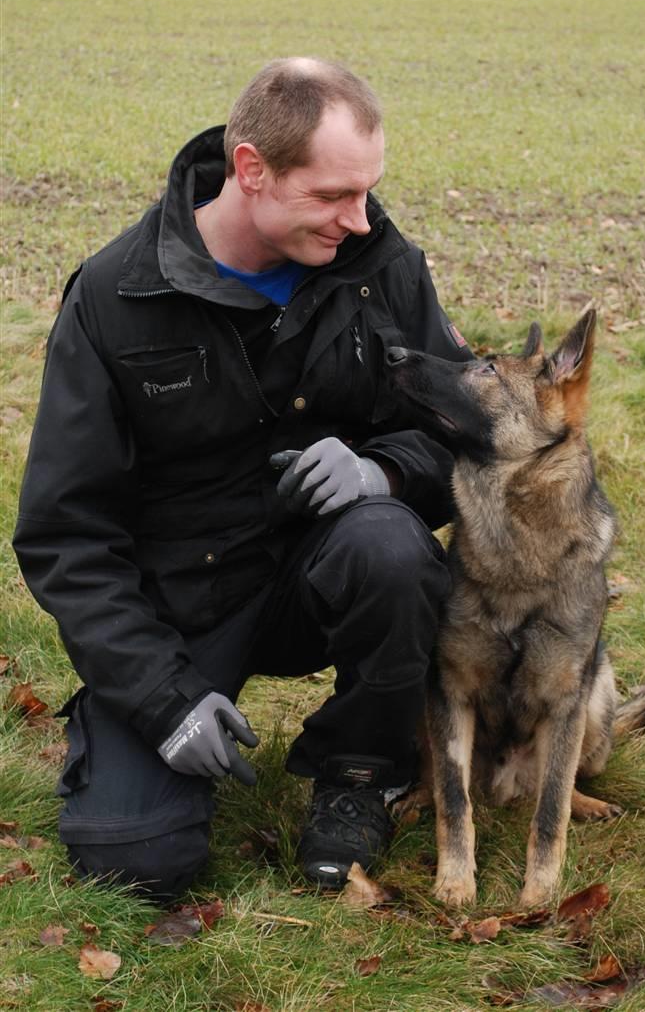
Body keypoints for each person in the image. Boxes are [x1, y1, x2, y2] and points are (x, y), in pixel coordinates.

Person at [13, 58, 471, 901]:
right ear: (251, 169)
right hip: (183, 600)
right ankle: (144, 739)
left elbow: (469, 433)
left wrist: (385, 471)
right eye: (333, 195)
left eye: (367, 190)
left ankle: (360, 772)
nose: (360, 219)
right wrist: (162, 699)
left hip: (327, 575)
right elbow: (67, 536)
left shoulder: (380, 266)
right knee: (135, 862)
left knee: (391, 548)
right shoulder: (117, 298)